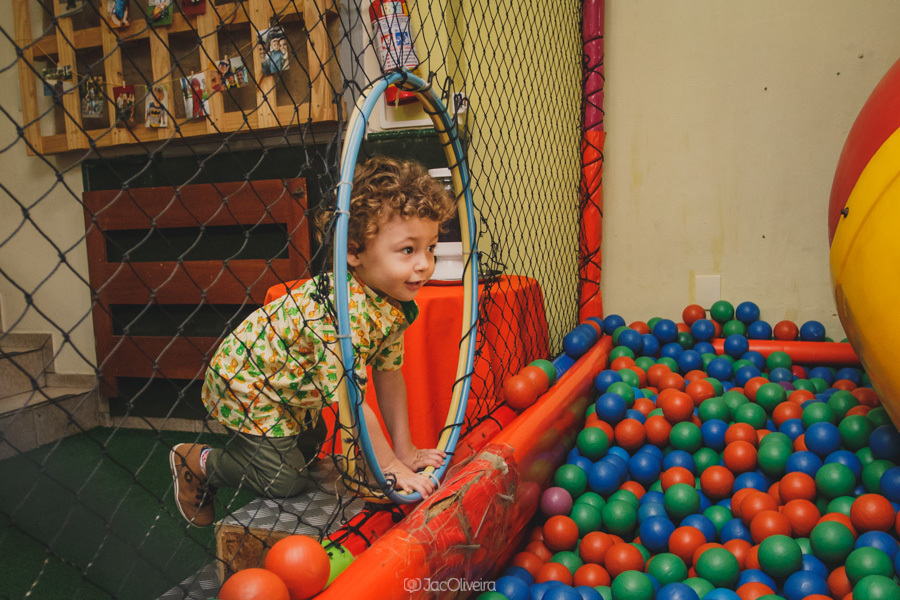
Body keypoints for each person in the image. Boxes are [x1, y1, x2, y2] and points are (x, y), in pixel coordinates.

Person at [170, 157, 458, 527]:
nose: (425, 264)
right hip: (248, 384)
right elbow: (351, 401)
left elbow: (389, 375)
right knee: (285, 481)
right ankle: (198, 463)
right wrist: (388, 466)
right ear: (353, 252)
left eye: (431, 247)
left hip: (293, 388)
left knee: (309, 454)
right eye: (408, 250)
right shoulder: (344, 313)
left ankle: (270, 452)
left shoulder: (390, 300)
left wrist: (405, 452)